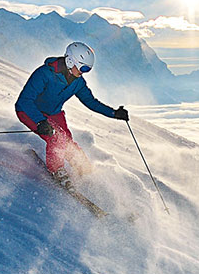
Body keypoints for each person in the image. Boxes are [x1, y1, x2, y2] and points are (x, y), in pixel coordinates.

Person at [15, 41, 128, 185]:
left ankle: (84, 169)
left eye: (87, 69)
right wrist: (39, 121)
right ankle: (57, 171)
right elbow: (24, 101)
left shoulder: (77, 82)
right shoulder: (44, 74)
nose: (83, 72)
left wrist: (114, 113)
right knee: (56, 138)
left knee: (67, 141)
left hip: (53, 113)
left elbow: (91, 102)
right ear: (70, 61)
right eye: (83, 68)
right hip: (30, 111)